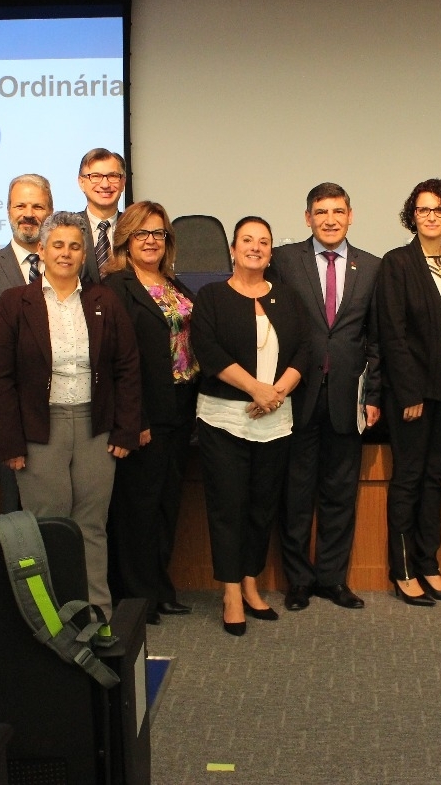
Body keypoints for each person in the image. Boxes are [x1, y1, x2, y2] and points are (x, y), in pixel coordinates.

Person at [0, 211, 141, 620]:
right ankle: (51, 618)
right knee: (48, 527)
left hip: (95, 427)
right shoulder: (15, 303)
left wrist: (125, 430)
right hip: (39, 430)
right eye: (57, 245)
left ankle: (98, 615)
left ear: (84, 253)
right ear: (41, 249)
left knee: (91, 526)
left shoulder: (104, 301)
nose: (66, 253)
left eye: (74, 246)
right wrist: (10, 443)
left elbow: (127, 367)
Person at [191, 216, 310, 636]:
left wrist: (275, 392)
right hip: (224, 419)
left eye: (263, 241)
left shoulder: (288, 297)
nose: (255, 247)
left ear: (271, 251)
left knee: (262, 506)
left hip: (274, 419)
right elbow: (207, 350)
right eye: (247, 240)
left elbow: (304, 349)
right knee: (229, 507)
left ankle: (250, 583)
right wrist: (255, 389)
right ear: (233, 249)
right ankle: (229, 593)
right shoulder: (212, 296)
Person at [270, 182, 381, 612]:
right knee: (296, 495)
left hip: (347, 400)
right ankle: (298, 581)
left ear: (350, 216)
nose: (330, 220)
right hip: (297, 395)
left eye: (337, 211)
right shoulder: (284, 260)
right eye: (321, 212)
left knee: (340, 494)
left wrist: (373, 395)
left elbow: (376, 340)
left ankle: (333, 580)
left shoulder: (371, 267)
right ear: (307, 218)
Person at [377, 179, 441, 607]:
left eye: (438, 209)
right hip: (413, 388)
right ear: (412, 216)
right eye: (422, 210)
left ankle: (429, 564)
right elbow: (393, 333)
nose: (430, 216)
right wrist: (409, 391)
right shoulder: (397, 263)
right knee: (409, 477)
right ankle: (403, 570)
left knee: (434, 477)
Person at [104, 201, 200, 625]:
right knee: (137, 509)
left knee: (166, 504)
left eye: (158, 233)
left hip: (179, 410)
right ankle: (137, 597)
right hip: (143, 416)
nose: (150, 241)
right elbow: (115, 361)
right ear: (126, 239)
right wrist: (134, 419)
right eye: (141, 233)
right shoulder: (115, 288)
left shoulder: (175, 286)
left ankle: (160, 589)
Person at [0, 173, 52, 513]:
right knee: (15, 508)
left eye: (38, 206)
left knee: (59, 507)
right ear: (7, 211)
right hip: (12, 408)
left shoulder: (68, 265)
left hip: (66, 408)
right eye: (20, 206)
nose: (28, 214)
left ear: (50, 212)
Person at [60, 148, 126, 284]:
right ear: (81, 182)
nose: (105, 184)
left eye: (113, 176)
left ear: (123, 182)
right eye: (95, 176)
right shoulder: (67, 228)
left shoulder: (134, 228)